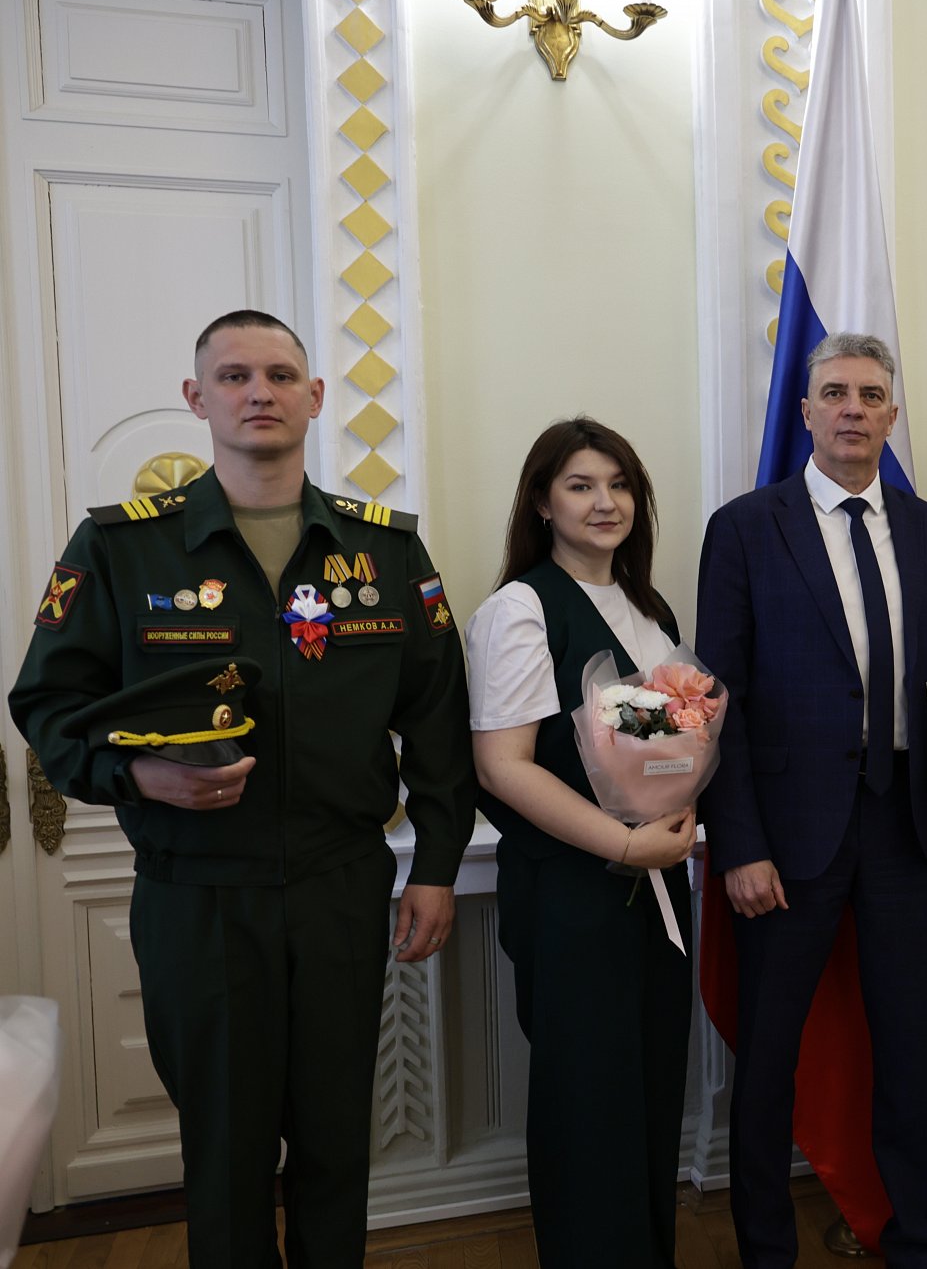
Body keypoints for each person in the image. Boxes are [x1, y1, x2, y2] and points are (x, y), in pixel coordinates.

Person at [8, 309, 474, 1268]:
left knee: (337, 1139)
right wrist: (133, 773)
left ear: (315, 397)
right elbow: (48, 703)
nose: (259, 393)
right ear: (197, 398)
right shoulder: (121, 548)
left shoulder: (385, 553)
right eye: (233, 376)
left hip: (341, 887)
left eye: (279, 375)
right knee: (225, 1150)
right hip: (199, 894)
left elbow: (437, 720)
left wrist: (435, 866)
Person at [696, 332, 927, 1269]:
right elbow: (722, 698)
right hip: (786, 839)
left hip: (908, 827)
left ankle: (917, 1240)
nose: (853, 409)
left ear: (891, 415)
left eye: (869, 395)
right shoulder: (746, 527)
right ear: (806, 411)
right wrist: (739, 844)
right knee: (769, 1059)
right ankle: (765, 1250)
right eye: (835, 393)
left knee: (909, 1054)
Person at [466, 417, 695, 1269]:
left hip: (658, 888)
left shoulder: (649, 610)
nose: (606, 502)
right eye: (581, 485)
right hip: (572, 891)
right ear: (541, 502)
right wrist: (627, 847)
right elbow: (503, 766)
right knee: (588, 1106)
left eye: (620, 485)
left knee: (649, 1092)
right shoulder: (520, 609)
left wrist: (677, 812)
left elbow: (655, 754)